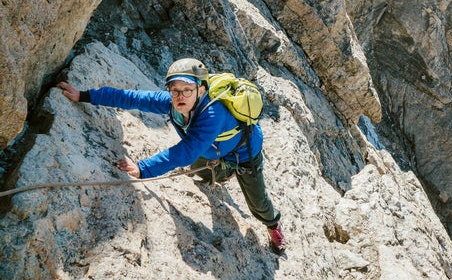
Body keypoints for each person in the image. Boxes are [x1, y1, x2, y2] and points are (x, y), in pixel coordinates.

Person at [57, 57, 285, 255]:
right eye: (174, 90)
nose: (180, 96)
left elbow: (185, 152)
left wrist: (144, 168)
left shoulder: (212, 114)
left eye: (187, 89)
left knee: (258, 202)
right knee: (204, 173)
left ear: (201, 90)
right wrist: (85, 95)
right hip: (211, 149)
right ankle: (222, 172)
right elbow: (131, 98)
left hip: (245, 153)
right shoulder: (172, 103)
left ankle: (272, 224)